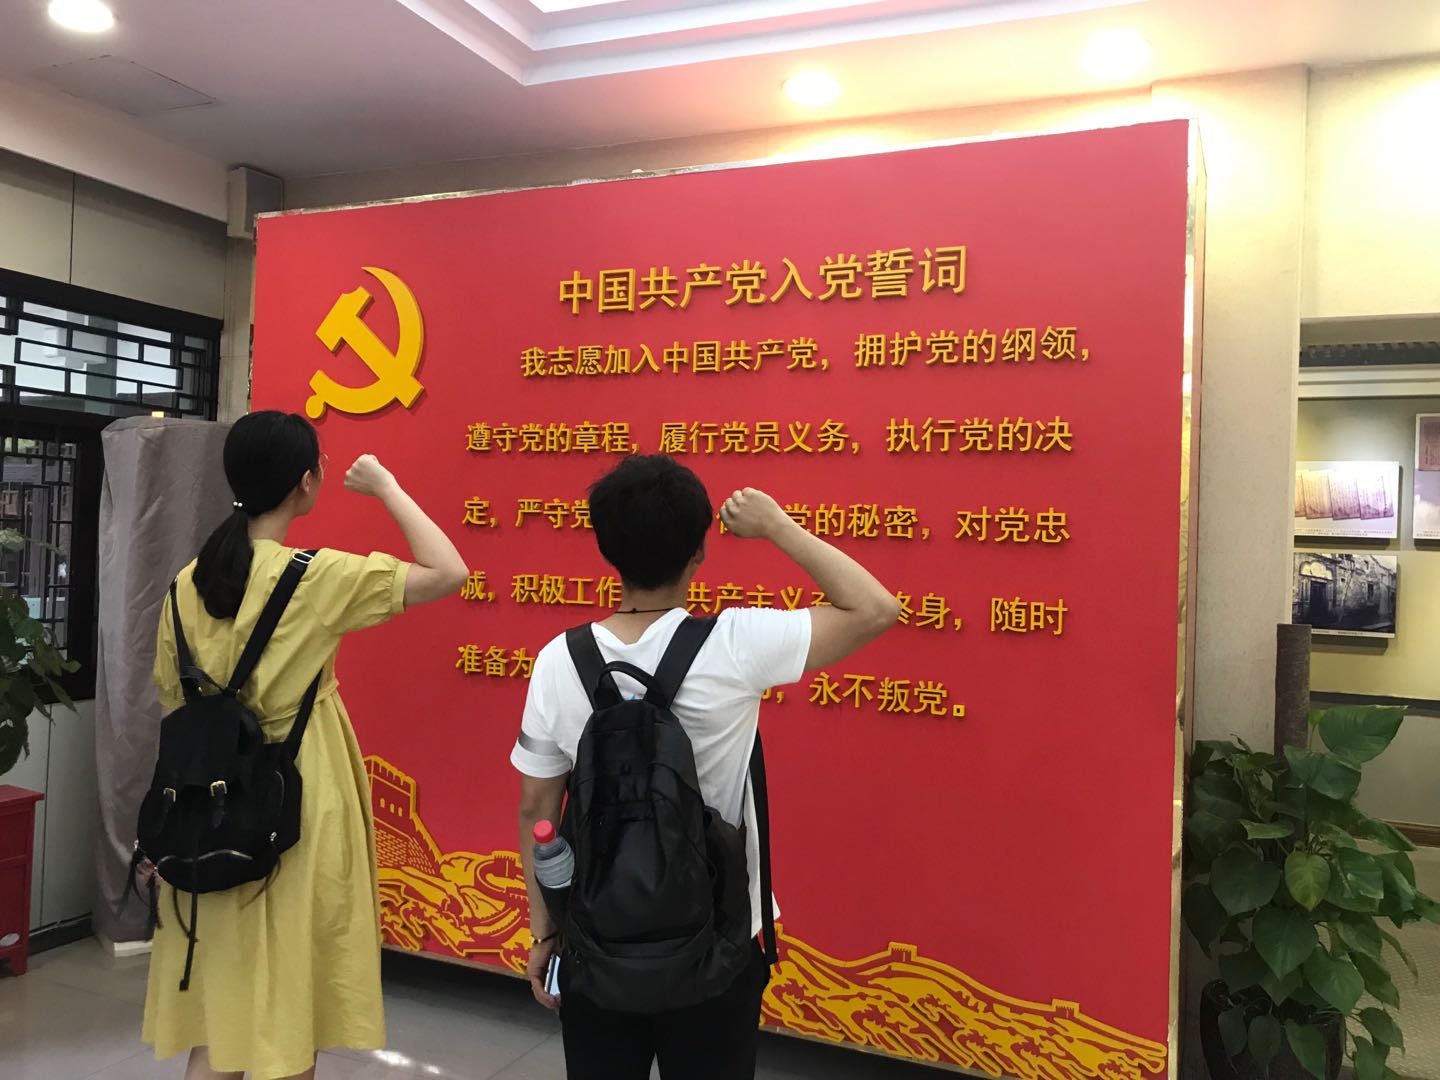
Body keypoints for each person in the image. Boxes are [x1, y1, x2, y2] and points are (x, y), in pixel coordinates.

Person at [512, 455, 900, 1079]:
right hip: (716, 942)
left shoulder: (558, 660)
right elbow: (875, 608)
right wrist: (776, 526)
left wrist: (544, 933)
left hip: (596, 938)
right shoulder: (734, 645)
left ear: (606, 549)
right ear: (699, 551)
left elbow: (537, 809)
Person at [141, 411, 468, 1080]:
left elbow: (174, 703)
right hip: (296, 799)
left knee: (218, 1016)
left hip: (210, 808)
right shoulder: (313, 577)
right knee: (292, 1005)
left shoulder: (185, 585)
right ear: (305, 482)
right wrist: (385, 486)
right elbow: (448, 570)